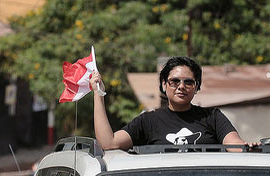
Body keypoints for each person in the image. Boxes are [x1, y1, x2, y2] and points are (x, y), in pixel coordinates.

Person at [89, 56, 251, 150]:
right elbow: (108, 144)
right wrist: (98, 95)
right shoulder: (148, 121)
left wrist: (249, 148)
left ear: (197, 87)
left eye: (188, 82)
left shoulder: (212, 117)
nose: (181, 86)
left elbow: (235, 146)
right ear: (164, 85)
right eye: (174, 81)